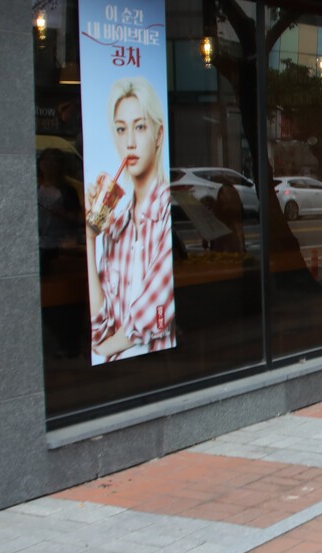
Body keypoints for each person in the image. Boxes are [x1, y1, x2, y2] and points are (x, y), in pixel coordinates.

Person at [84, 76, 176, 363]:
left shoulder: (166, 208)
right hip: (122, 372)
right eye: (121, 129)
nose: (130, 142)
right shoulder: (117, 226)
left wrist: (106, 348)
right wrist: (90, 238)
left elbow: (153, 312)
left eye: (140, 126)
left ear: (159, 135)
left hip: (162, 366)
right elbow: (99, 327)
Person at [37, 147, 83, 276]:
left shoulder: (67, 190)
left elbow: (79, 219)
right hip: (41, 243)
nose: (49, 164)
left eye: (53, 161)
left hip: (59, 245)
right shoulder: (37, 187)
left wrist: (62, 213)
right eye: (46, 160)